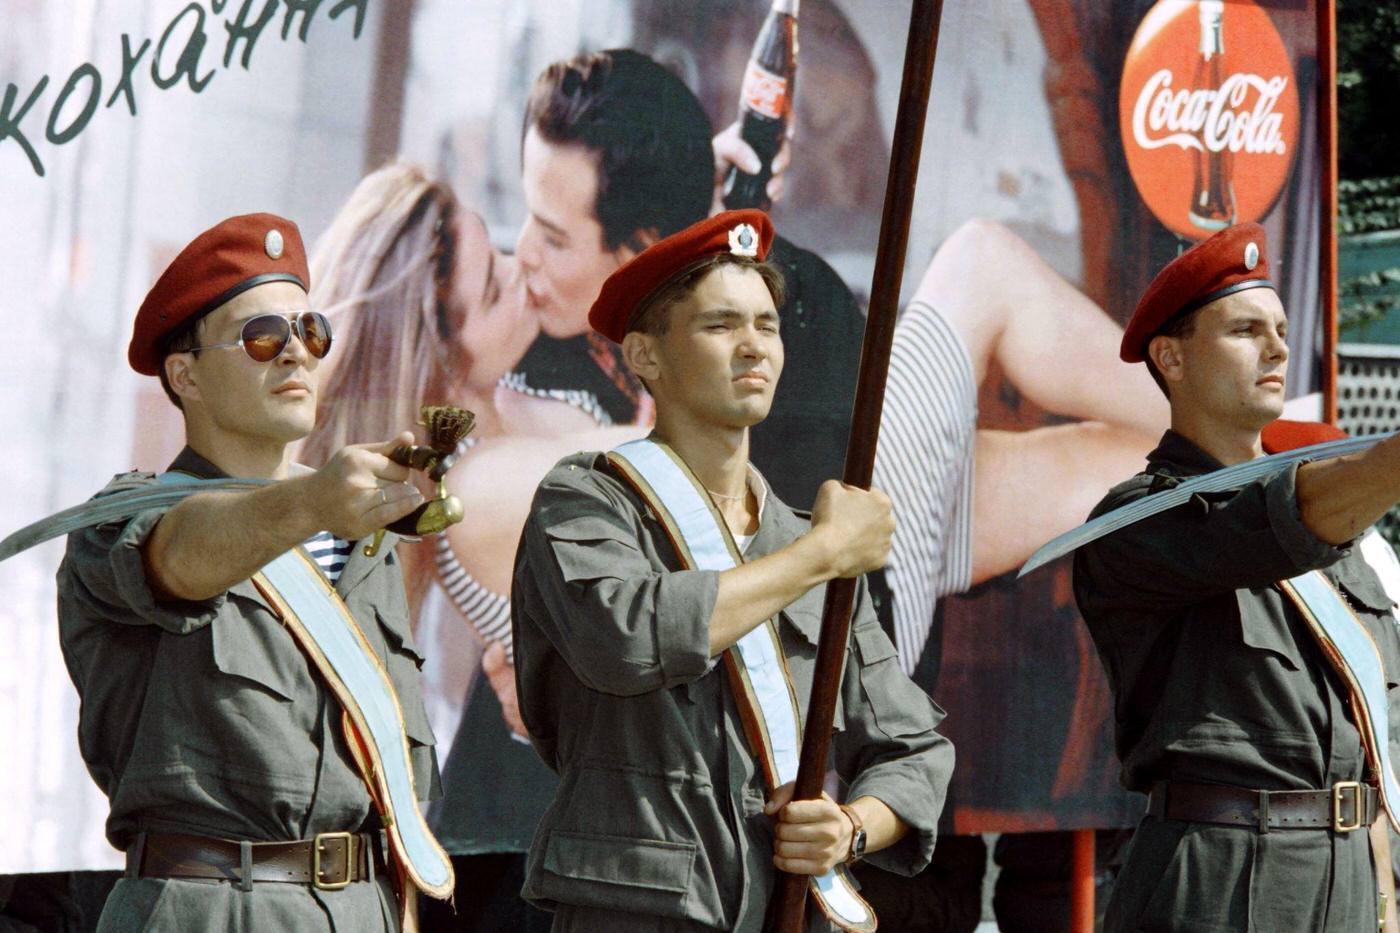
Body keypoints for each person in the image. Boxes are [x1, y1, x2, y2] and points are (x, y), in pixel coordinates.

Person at [512, 209, 952, 931]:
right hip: (632, 908)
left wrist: (850, 827)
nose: (754, 347)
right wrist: (819, 557)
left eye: (767, 326)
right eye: (720, 325)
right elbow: (625, 639)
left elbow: (915, 749)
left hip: (779, 909)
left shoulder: (809, 535)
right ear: (645, 356)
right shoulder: (586, 498)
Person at [54, 215, 449, 930]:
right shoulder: (118, 520)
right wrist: (315, 500)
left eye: (311, 331)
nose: (296, 354)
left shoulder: (364, 536)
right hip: (210, 906)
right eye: (262, 336)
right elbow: (179, 559)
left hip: (363, 907)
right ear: (186, 374)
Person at [297, 164, 644, 932]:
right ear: (436, 367)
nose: (524, 272)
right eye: (492, 289)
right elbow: (689, 465)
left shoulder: (516, 399)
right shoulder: (478, 491)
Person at [1073, 222, 1400, 932]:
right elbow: (1265, 527)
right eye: (1246, 329)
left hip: (1348, 874)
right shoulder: (1135, 520)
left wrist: (1382, 889)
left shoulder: (1342, 532)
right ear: (1172, 356)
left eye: (1281, 328)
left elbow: (1376, 733)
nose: (1278, 348)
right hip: (1217, 873)